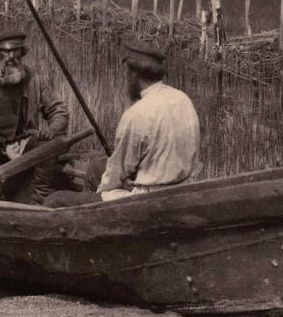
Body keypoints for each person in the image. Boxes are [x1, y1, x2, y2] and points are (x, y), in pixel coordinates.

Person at [44, 42, 201, 208]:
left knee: (55, 199)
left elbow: (117, 172)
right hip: (181, 187)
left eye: (126, 72)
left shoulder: (137, 114)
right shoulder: (182, 99)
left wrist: (98, 197)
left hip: (147, 199)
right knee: (95, 168)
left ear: (133, 74)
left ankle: (91, 222)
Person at [0, 29, 68, 203]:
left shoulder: (34, 79)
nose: (10, 57)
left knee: (49, 148)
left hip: (22, 141)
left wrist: (52, 130)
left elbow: (58, 111)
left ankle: (39, 204)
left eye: (16, 51)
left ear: (23, 52)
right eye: (5, 51)